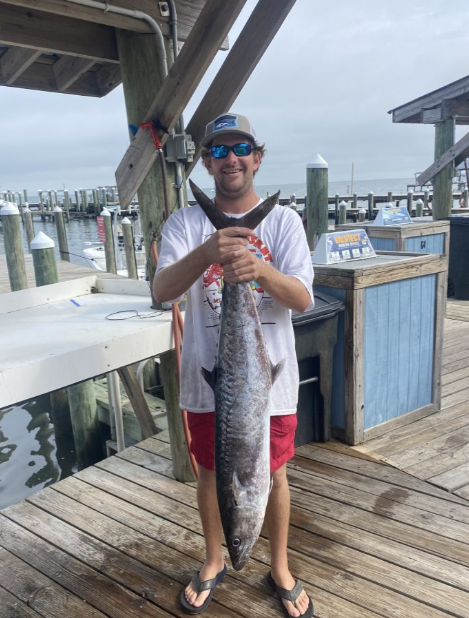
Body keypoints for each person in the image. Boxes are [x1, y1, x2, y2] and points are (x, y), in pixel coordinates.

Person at [153, 112, 314, 618]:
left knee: (277, 474)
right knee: (208, 472)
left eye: (240, 148)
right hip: (211, 385)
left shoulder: (284, 221)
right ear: (206, 162)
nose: (231, 159)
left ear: (257, 157)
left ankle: (281, 566)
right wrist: (208, 252)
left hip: (271, 386)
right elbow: (161, 293)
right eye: (219, 151)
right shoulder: (185, 223)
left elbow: (304, 298)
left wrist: (259, 269)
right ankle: (213, 559)